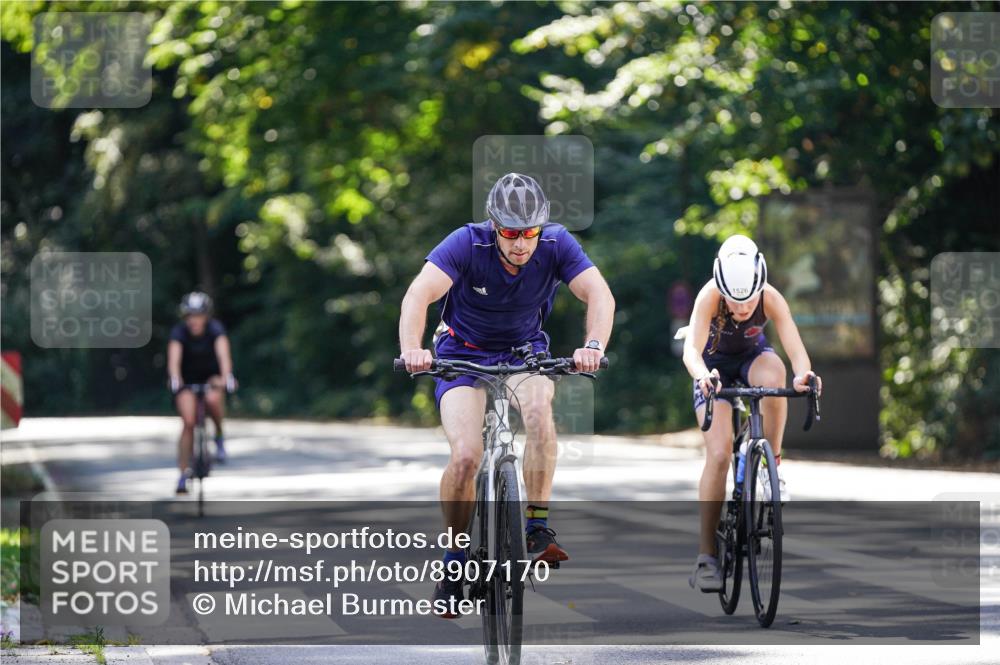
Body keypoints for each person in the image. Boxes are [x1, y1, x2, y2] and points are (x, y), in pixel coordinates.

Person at [398, 173, 615, 617]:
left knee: (538, 412)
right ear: (494, 226)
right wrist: (412, 350)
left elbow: (599, 294)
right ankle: (454, 560)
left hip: (523, 351)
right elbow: (418, 294)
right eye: (511, 233)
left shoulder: (556, 243)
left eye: (529, 233)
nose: (521, 243)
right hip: (461, 352)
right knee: (465, 455)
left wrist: (592, 346)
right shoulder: (466, 243)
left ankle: (536, 525)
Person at [681, 235, 821, 592]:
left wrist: (804, 376)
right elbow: (691, 351)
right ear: (722, 288)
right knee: (718, 454)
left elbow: (796, 350)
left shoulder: (771, 297)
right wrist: (703, 376)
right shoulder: (709, 296)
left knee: (775, 376)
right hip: (712, 369)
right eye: (735, 300)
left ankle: (772, 461)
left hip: (751, 358)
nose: (743, 308)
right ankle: (706, 556)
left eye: (749, 300)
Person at [167, 291, 237, 495]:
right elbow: (174, 360)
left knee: (213, 398)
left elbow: (224, 356)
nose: (194, 320)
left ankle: (219, 435)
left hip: (210, 377)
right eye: (190, 315)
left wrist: (227, 377)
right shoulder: (179, 332)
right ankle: (182, 474)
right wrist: (175, 379)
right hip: (187, 381)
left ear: (206, 316)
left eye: (198, 315)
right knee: (188, 422)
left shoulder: (215, 329)